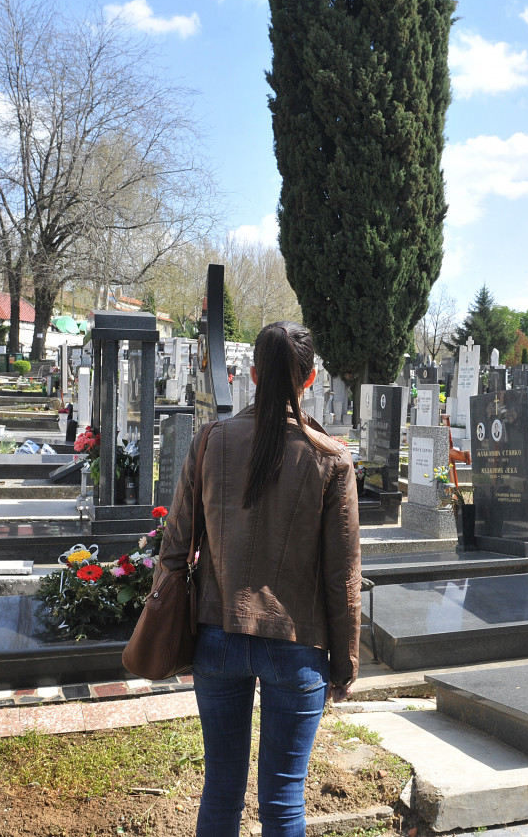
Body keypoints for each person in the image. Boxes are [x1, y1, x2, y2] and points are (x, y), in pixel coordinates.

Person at [158, 320, 361, 837]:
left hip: (217, 635)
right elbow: (342, 577)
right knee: (284, 802)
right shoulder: (331, 458)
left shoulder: (211, 440)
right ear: (310, 378)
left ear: (251, 374)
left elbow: (175, 546)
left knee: (220, 790)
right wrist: (345, 663)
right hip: (297, 644)